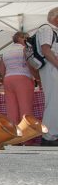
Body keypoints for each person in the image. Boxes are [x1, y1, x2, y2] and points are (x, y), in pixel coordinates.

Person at [0, 32, 35, 127]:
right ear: (21, 38)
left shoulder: (5, 52)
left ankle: (14, 136)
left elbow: (1, 70)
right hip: (23, 78)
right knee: (25, 108)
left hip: (8, 79)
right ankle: (26, 135)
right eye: (27, 38)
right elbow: (30, 65)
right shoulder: (25, 49)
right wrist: (37, 78)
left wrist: (5, 78)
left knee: (11, 109)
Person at [36, 8, 58, 146]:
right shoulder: (47, 29)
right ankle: (49, 136)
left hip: (52, 67)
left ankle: (51, 134)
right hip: (51, 67)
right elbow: (46, 49)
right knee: (53, 101)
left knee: (55, 101)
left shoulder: (51, 30)